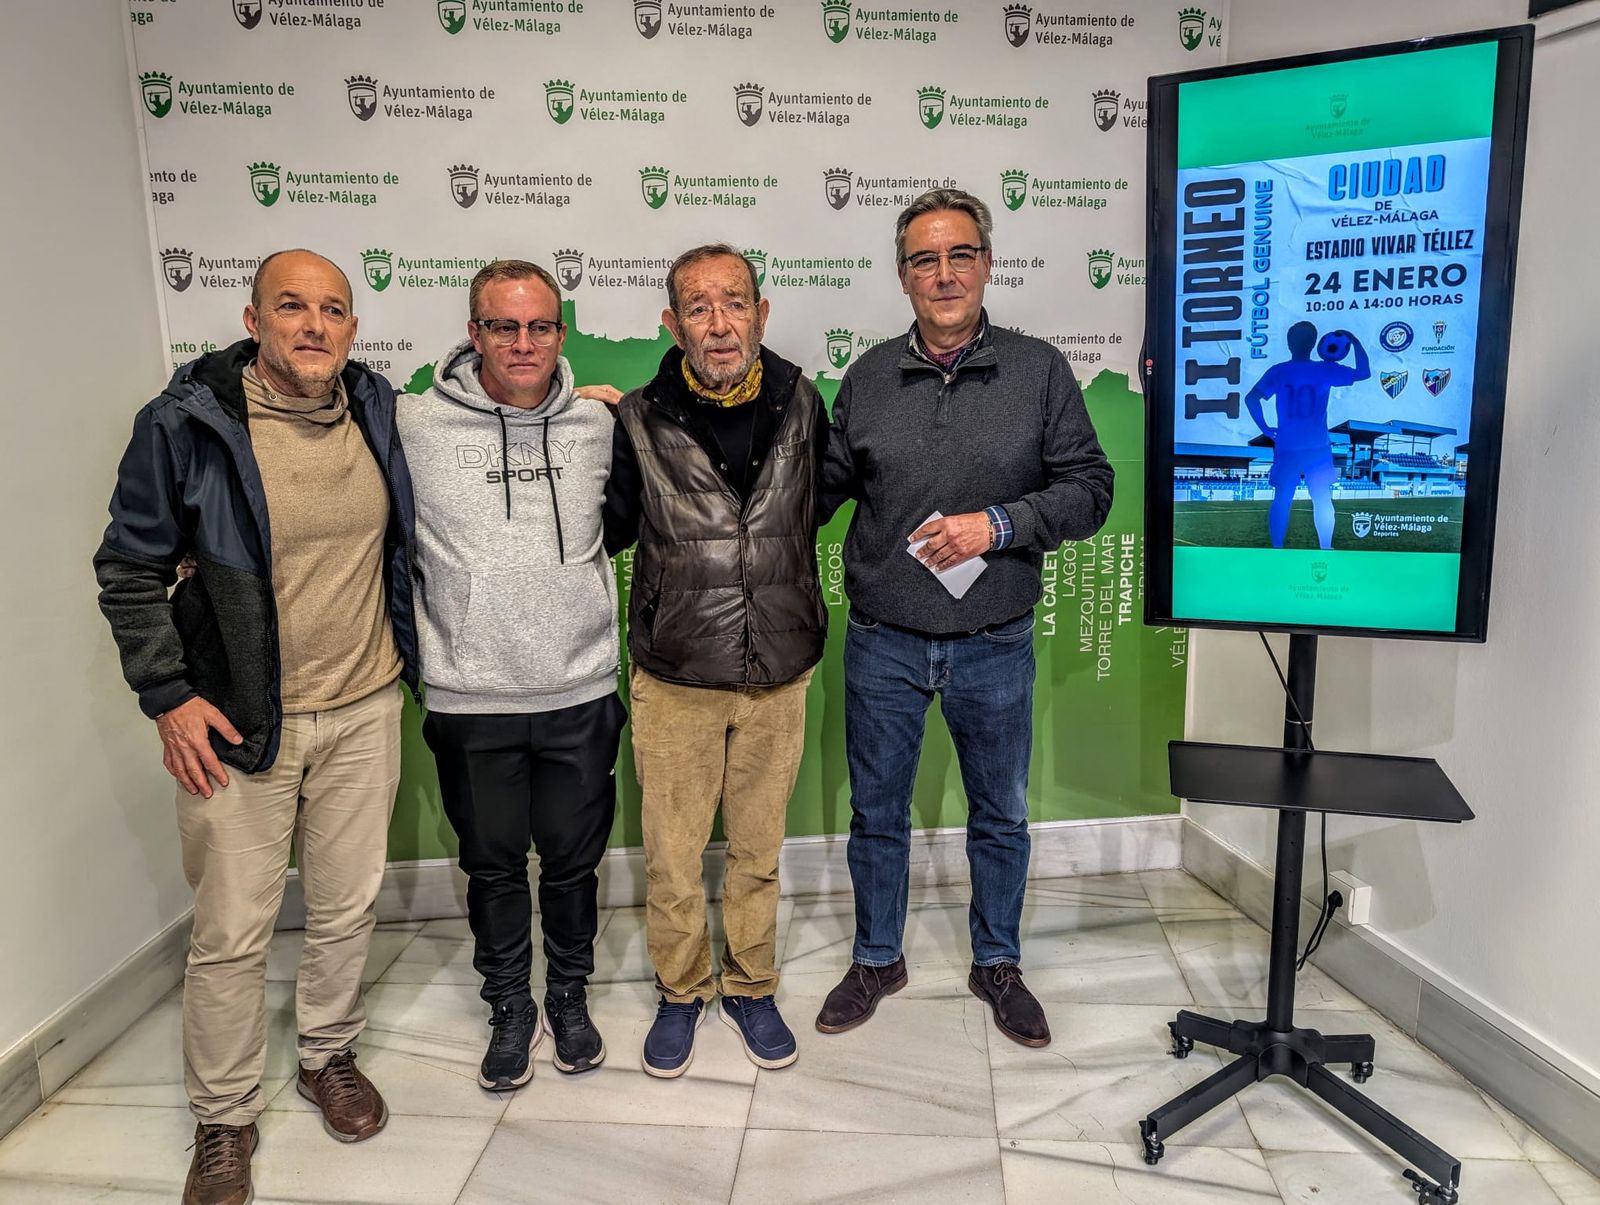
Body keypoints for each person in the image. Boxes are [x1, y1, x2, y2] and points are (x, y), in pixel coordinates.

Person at [94, 249, 419, 1205]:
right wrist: (167, 692)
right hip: (237, 723)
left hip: (366, 705)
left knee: (347, 903)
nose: (314, 326)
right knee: (233, 930)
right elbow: (127, 568)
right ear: (253, 317)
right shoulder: (185, 423)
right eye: (292, 307)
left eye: (332, 310)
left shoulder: (377, 409)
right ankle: (224, 1115)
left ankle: (326, 1053)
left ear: (353, 330)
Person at [817, 189, 1114, 1049]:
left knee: (1000, 814)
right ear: (902, 274)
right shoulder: (868, 376)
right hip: (882, 642)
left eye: (959, 256)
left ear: (987, 263)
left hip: (995, 643)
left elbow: (1092, 489)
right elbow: (825, 488)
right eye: (923, 259)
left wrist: (1001, 524)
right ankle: (878, 956)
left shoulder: (1040, 371)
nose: (943, 275)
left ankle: (997, 962)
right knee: (876, 813)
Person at [603, 243, 828, 1077]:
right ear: (672, 323)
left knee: (757, 847)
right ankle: (681, 988)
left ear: (762, 314)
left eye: (735, 302)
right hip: (676, 673)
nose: (719, 322)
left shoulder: (805, 403)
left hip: (779, 669)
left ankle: (752, 982)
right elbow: (614, 527)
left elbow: (829, 497)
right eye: (698, 307)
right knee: (672, 850)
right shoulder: (637, 417)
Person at [400, 259, 625, 1087]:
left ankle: (568, 996)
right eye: (503, 325)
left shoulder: (599, 426)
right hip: (471, 697)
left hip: (580, 691)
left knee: (572, 866)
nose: (522, 342)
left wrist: (606, 403)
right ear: (474, 332)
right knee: (492, 868)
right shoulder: (412, 424)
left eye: (539, 326)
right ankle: (509, 1006)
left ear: (561, 334)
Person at [1243, 322, 1371, 549]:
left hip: (1287, 447)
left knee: (1282, 500)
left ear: (1289, 343)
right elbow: (1364, 372)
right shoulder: (1325, 369)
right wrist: (1355, 341)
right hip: (1317, 449)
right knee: (1322, 499)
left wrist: (1264, 427)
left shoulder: (1279, 370)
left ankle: (1277, 550)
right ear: (1315, 343)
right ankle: (1325, 547)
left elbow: (1251, 398)